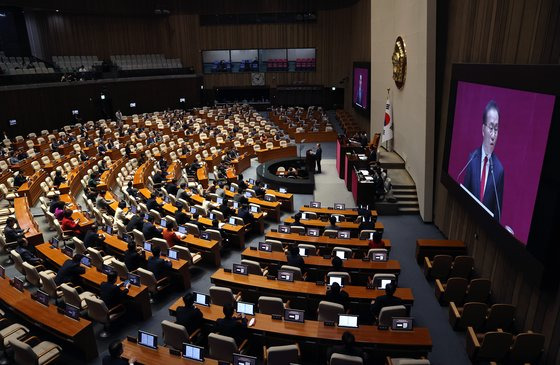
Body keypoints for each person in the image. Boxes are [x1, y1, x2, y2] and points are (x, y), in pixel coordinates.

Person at [462, 100, 504, 221]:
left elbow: (497, 214)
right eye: (491, 128)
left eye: (496, 129)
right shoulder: (472, 159)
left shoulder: (499, 171)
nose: (493, 134)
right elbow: (464, 198)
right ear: (483, 129)